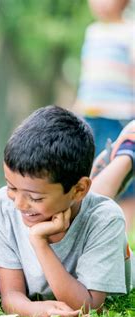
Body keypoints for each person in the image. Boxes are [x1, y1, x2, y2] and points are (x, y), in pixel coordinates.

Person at [0, 106, 133, 317]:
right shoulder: (2, 204)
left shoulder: (106, 219)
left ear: (79, 189)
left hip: (89, 209)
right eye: (11, 187)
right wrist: (35, 310)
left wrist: (40, 242)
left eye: (34, 197)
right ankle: (118, 158)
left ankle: (126, 156)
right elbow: (11, 295)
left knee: (98, 207)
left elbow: (88, 306)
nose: (18, 204)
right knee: (90, 200)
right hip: (76, 196)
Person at [74, 0, 135, 230]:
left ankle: (126, 232)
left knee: (124, 173)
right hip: (90, 115)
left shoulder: (129, 32)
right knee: (93, 172)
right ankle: (96, 227)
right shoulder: (93, 32)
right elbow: (87, 75)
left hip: (119, 115)